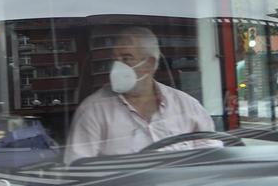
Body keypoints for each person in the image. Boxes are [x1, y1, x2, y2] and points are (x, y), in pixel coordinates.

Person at [65, 27, 218, 163]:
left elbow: (212, 159)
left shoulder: (187, 106)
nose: (117, 67)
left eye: (126, 58)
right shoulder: (93, 111)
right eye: (114, 59)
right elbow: (78, 169)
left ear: (150, 63)